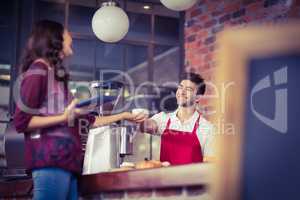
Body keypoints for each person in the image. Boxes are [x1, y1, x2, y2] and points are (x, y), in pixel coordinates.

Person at [13, 20, 146, 200]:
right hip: (51, 161)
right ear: (55, 40)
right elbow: (22, 122)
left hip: (68, 164)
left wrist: (124, 115)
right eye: (68, 40)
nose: (71, 45)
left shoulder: (56, 78)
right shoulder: (38, 72)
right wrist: (63, 116)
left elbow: (89, 122)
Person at [139, 72, 215, 165]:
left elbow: (210, 162)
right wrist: (140, 120)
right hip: (164, 178)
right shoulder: (163, 118)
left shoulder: (207, 129)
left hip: (192, 179)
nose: (181, 92)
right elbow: (147, 126)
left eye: (188, 89)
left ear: (197, 98)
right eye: (180, 87)